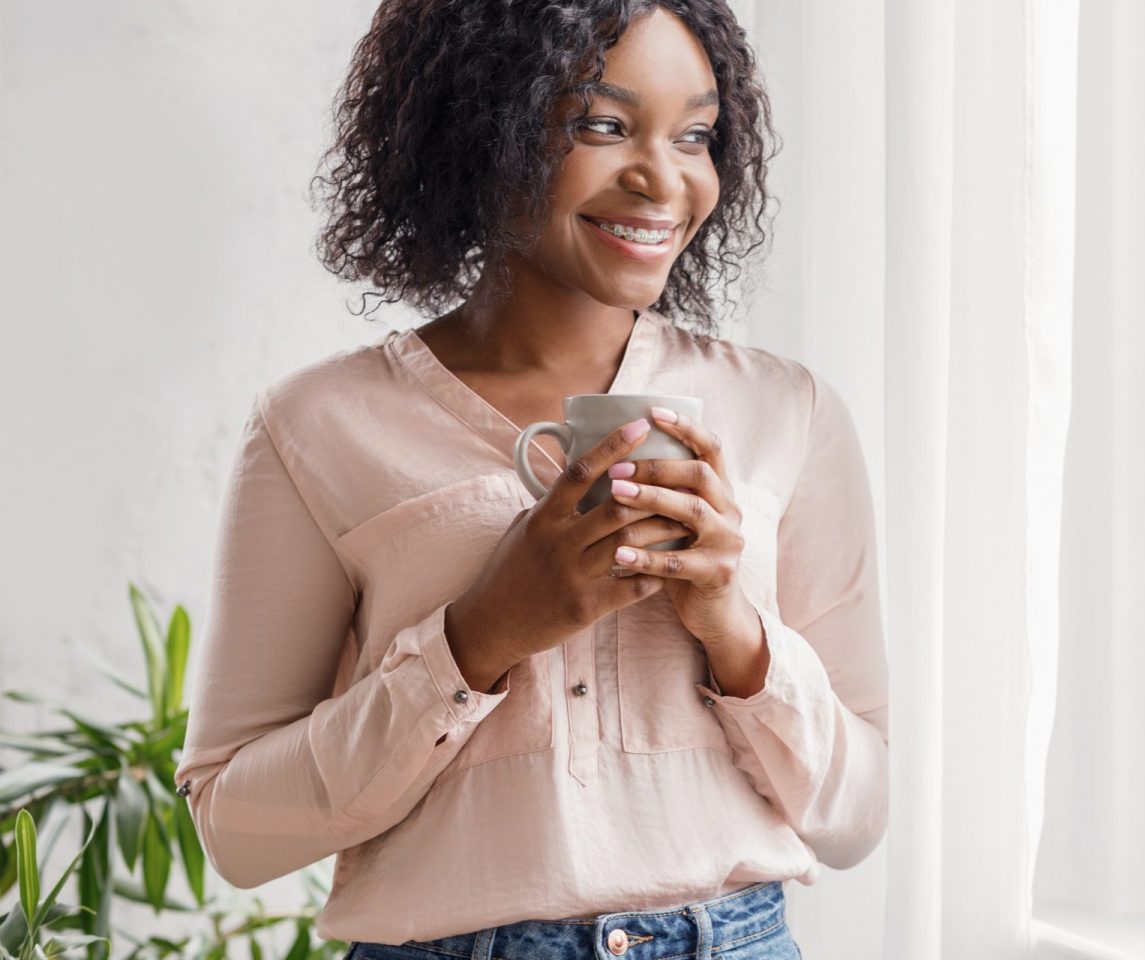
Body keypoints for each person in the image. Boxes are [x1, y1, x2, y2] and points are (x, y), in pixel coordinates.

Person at [173, 3, 886, 958]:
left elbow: (859, 815)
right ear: (483, 121)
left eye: (696, 135)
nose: (661, 177)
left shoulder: (785, 412)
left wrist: (733, 629)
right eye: (602, 124)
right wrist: (483, 636)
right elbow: (236, 827)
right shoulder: (319, 426)